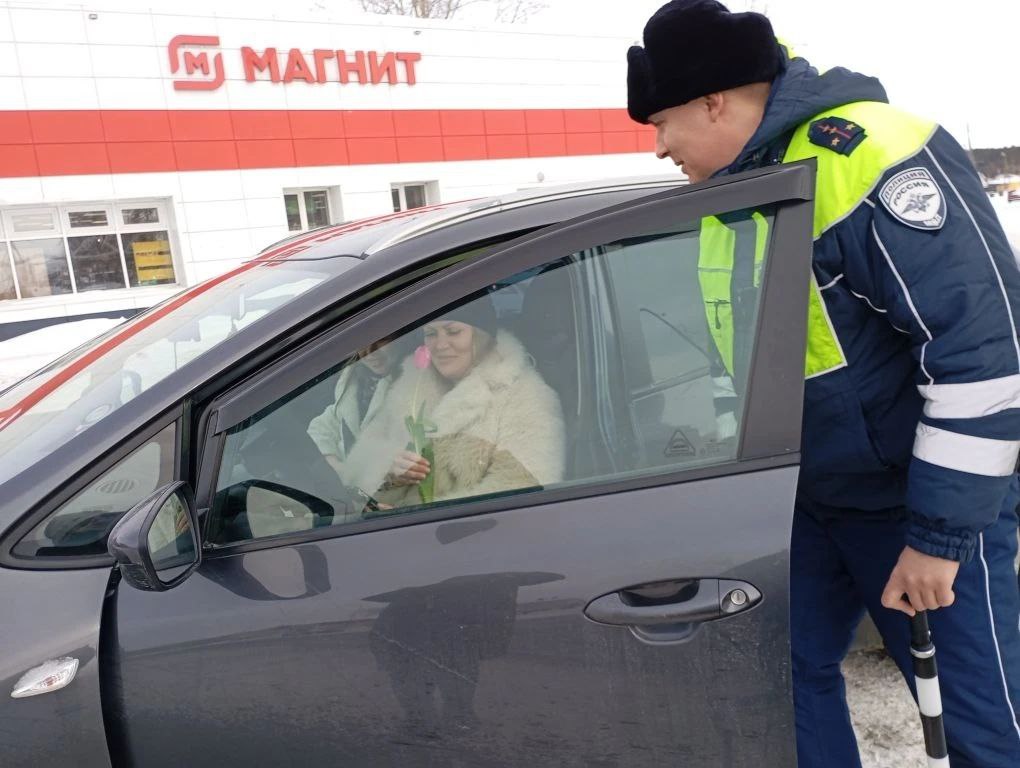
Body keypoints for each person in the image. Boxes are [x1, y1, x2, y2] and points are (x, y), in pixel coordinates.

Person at [627, 2, 1020, 766]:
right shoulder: (740, 194)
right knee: (774, 687)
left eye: (661, 123)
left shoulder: (865, 153)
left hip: (914, 507)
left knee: (980, 728)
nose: (659, 148)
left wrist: (937, 540)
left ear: (713, 102)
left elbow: (983, 354)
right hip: (807, 500)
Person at [340, 294, 566, 509]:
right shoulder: (410, 385)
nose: (440, 345)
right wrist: (389, 474)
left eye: (453, 331)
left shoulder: (527, 397)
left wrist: (418, 517)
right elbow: (360, 465)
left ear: (482, 335)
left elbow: (524, 489)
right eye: (431, 334)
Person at [307, 337, 401, 478]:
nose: (370, 353)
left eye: (379, 340)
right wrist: (335, 464)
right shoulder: (354, 380)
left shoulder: (412, 381)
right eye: (361, 344)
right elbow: (326, 423)